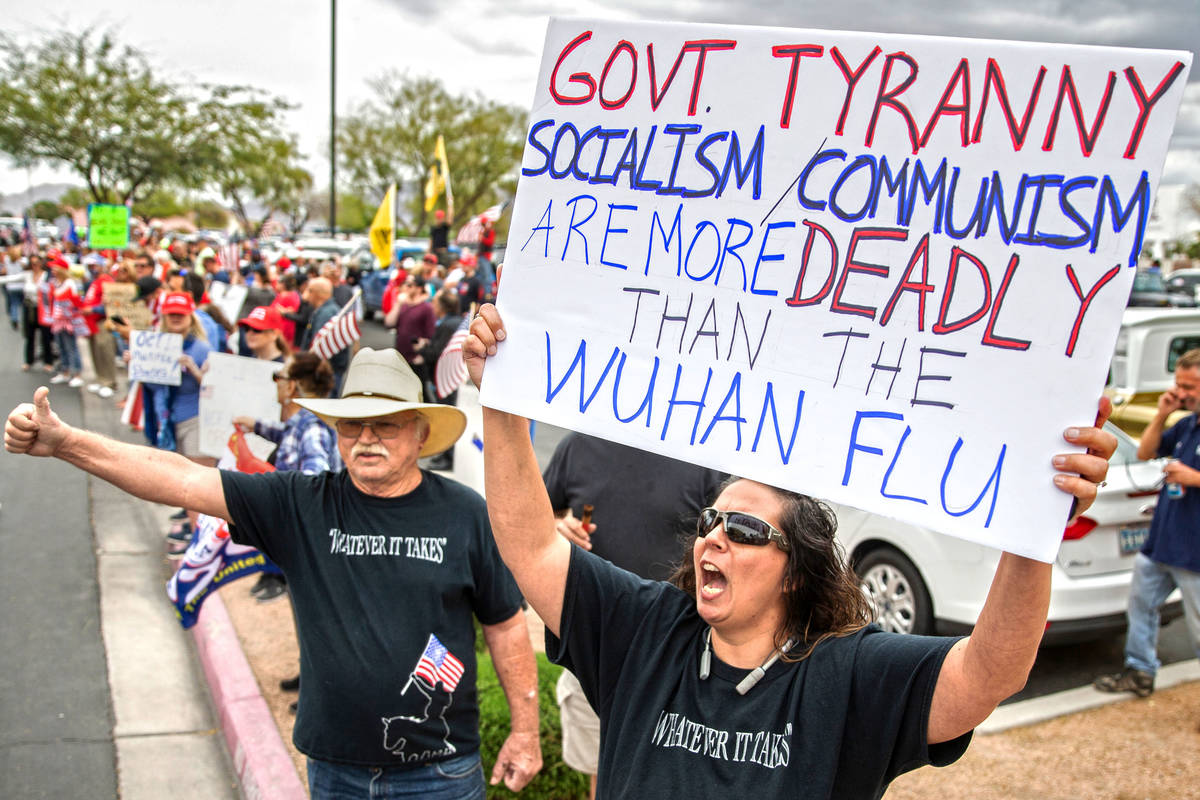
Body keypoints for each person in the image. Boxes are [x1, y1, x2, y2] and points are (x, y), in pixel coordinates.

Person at [461, 304, 1115, 799]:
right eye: (712, 520)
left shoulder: (848, 675)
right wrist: (501, 398)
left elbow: (990, 673)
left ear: (798, 575)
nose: (713, 535)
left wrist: (1035, 525)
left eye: (744, 530)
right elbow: (530, 545)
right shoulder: (644, 627)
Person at [5, 346, 543, 798]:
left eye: (386, 424)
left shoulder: (466, 513)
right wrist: (68, 443)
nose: (367, 438)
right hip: (336, 771)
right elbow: (180, 479)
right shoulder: (300, 504)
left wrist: (525, 731)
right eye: (352, 425)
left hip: (440, 774)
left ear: (421, 434)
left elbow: (505, 623)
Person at [543, 432, 726, 798]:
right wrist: (556, 528)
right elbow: (534, 522)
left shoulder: (705, 456)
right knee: (605, 777)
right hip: (592, 648)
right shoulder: (580, 444)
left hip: (676, 656)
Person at [1094, 348, 1200, 701]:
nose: (1183, 392)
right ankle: (1140, 670)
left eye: (1191, 386)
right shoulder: (1187, 426)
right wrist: (1162, 414)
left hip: (1195, 554)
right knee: (1141, 605)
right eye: (1179, 384)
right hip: (1162, 544)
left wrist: (1193, 477)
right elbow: (1145, 453)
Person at [299, 276, 350, 392]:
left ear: (317, 294)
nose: (307, 294)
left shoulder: (326, 313)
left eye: (310, 290)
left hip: (326, 373)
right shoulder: (326, 310)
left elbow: (318, 347)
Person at [384, 275, 434, 371]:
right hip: (399, 357)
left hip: (414, 360)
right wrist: (398, 304)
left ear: (419, 289)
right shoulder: (403, 304)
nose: (406, 287)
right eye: (405, 284)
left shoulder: (426, 308)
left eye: (410, 285)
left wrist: (422, 356)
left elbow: (430, 335)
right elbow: (388, 323)